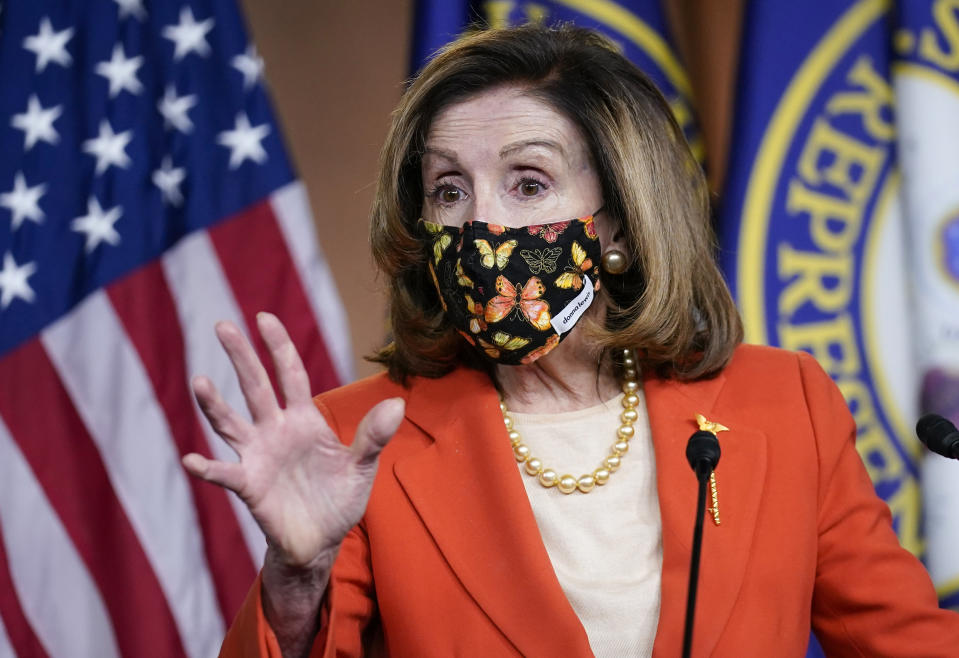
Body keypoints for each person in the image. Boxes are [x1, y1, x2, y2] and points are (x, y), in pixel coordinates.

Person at [182, 24, 959, 657]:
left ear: (617, 218)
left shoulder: (783, 402)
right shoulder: (358, 440)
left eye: (527, 183)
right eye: (449, 191)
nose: (481, 224)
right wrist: (295, 581)